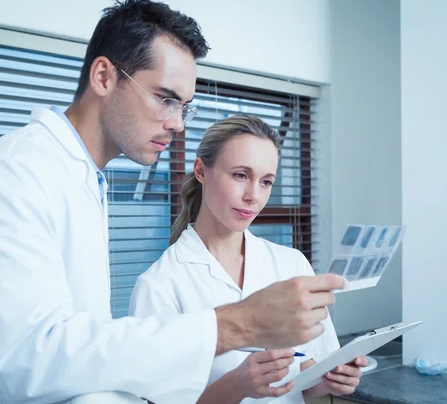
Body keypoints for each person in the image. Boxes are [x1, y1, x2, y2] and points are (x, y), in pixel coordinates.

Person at [0, 0, 345, 404]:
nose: (177, 124)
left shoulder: (84, 179)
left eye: (184, 106)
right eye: (165, 98)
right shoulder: (13, 172)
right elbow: (31, 358)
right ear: (104, 77)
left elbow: (86, 357)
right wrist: (238, 325)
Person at [130, 115, 367, 403]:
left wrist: (332, 380)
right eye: (241, 175)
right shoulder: (159, 286)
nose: (253, 196)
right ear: (201, 170)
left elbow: (306, 375)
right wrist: (237, 385)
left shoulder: (291, 264)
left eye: (266, 182)